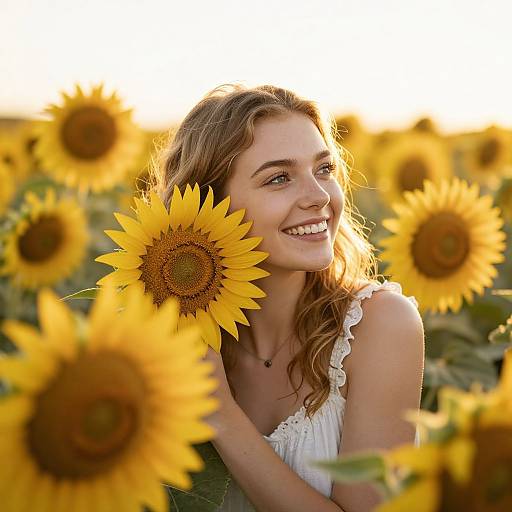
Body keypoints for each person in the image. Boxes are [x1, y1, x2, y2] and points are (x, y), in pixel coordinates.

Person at [153, 83, 425, 512]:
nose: (319, 197)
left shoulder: (379, 326)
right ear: (207, 205)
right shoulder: (164, 335)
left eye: (324, 169)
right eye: (279, 178)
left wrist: (219, 412)